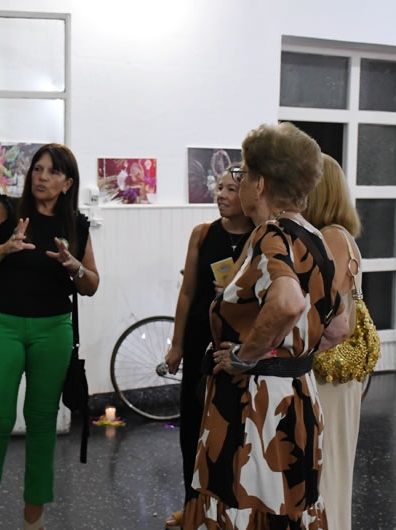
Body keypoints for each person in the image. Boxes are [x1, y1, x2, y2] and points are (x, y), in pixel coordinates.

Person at [182, 122, 351, 529]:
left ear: (259, 185)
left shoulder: (270, 235)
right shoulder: (314, 236)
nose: (238, 183)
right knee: (288, 510)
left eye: (242, 175)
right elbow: (338, 327)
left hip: (255, 409)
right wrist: (289, 356)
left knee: (247, 508)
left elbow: (288, 302)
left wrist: (247, 356)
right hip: (298, 398)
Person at [0, 143, 100, 530]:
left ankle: (34, 517)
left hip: (53, 331)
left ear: (67, 183)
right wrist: (5, 249)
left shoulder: (77, 225)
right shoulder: (8, 210)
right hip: (3, 327)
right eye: (37, 169)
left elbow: (91, 284)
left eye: (52, 171)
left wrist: (74, 266)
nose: (41, 177)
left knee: (42, 423)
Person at [163, 165, 253, 529]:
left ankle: (230, 508)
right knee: (192, 428)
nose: (222, 195)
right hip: (201, 341)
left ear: (249, 195)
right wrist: (177, 345)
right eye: (219, 188)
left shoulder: (261, 237)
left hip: (239, 344)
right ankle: (192, 504)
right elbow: (187, 293)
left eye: (231, 189)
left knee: (233, 430)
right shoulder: (202, 234)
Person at [302, 154, 363, 530]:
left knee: (327, 468)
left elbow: (320, 301)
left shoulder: (332, 237)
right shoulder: (338, 236)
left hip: (329, 373)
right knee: (328, 465)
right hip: (335, 373)